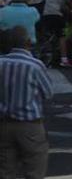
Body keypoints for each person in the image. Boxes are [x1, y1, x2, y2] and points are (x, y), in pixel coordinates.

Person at [0, 26, 52, 179]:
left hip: (3, 123)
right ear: (28, 42)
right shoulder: (35, 65)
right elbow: (48, 93)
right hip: (29, 124)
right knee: (34, 167)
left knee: (5, 169)